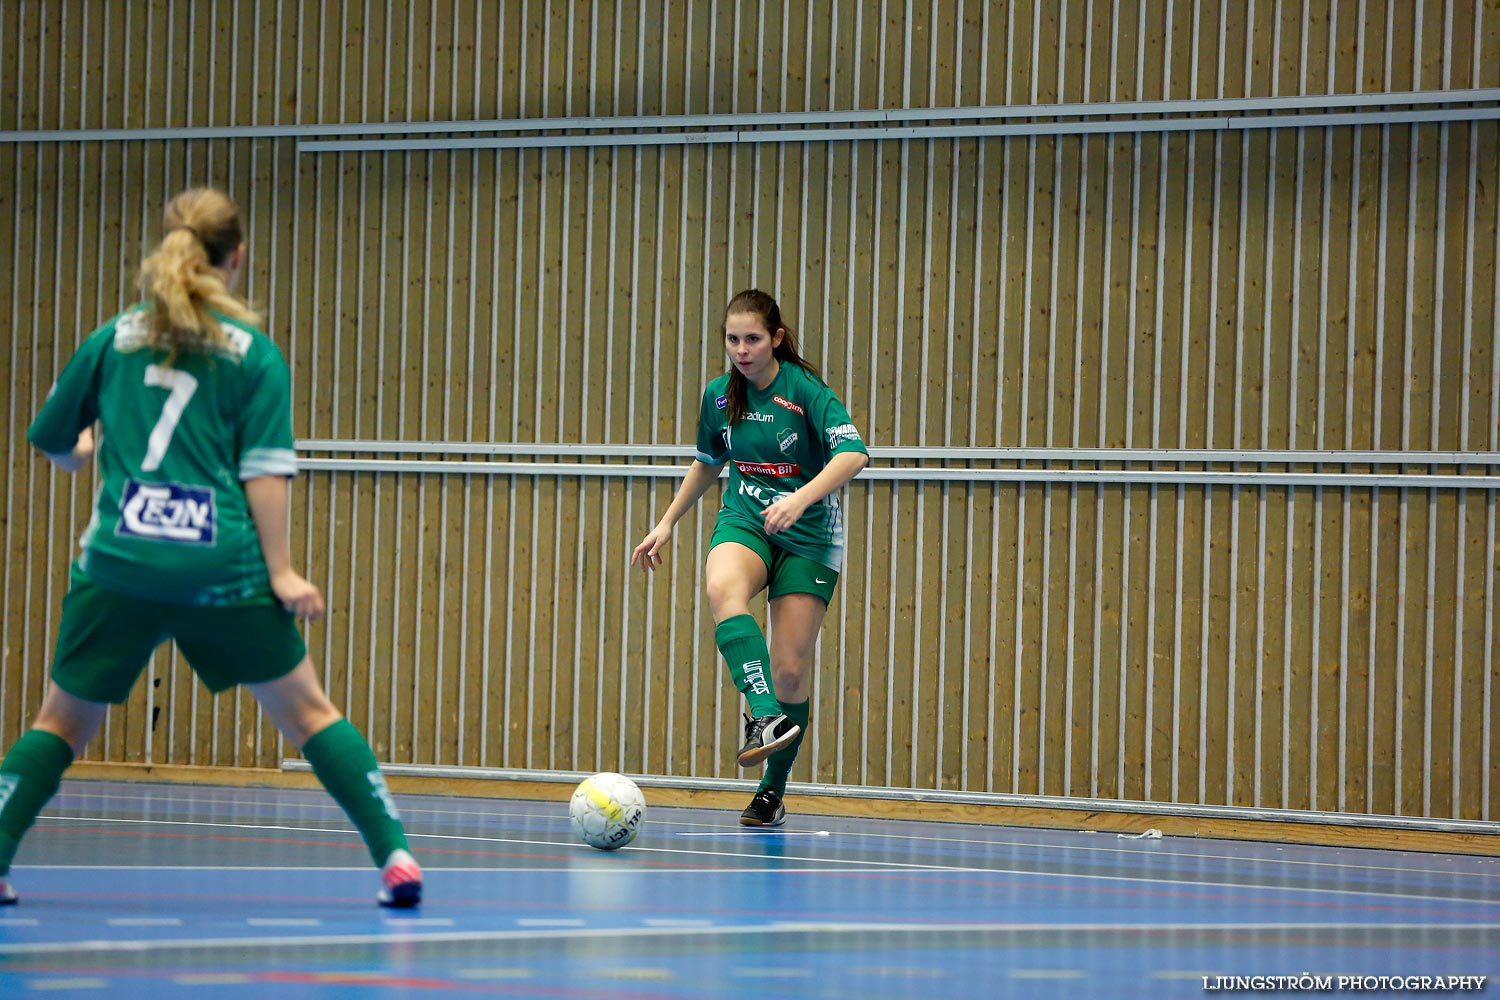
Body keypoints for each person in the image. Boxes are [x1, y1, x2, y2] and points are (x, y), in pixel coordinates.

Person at [0, 188, 422, 908]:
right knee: (311, 714)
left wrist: (85, 449)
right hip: (219, 566)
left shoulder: (114, 338)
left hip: (121, 562)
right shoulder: (254, 355)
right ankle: (397, 859)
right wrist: (282, 573)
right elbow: (264, 473)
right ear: (238, 258)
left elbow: (50, 438)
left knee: (60, 725)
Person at [632, 289, 869, 826]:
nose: (741, 349)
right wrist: (667, 522)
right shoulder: (719, 396)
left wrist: (801, 497)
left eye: (753, 339)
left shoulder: (804, 391)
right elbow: (708, 460)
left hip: (807, 533)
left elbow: (853, 453)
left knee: (790, 673)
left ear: (776, 339)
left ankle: (771, 790)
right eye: (732, 339)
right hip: (745, 519)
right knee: (722, 587)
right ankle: (762, 716)